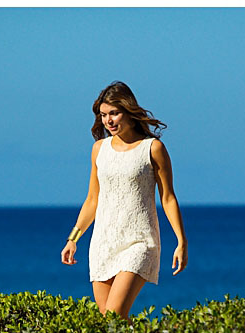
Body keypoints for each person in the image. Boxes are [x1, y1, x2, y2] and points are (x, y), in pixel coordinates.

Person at [60, 81, 188, 318]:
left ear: (129, 111)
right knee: (109, 324)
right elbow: (92, 200)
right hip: (103, 243)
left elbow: (168, 197)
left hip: (139, 242)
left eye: (114, 113)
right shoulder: (99, 149)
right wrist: (73, 239)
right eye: (103, 115)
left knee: (114, 314)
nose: (109, 121)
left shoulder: (153, 148)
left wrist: (181, 241)